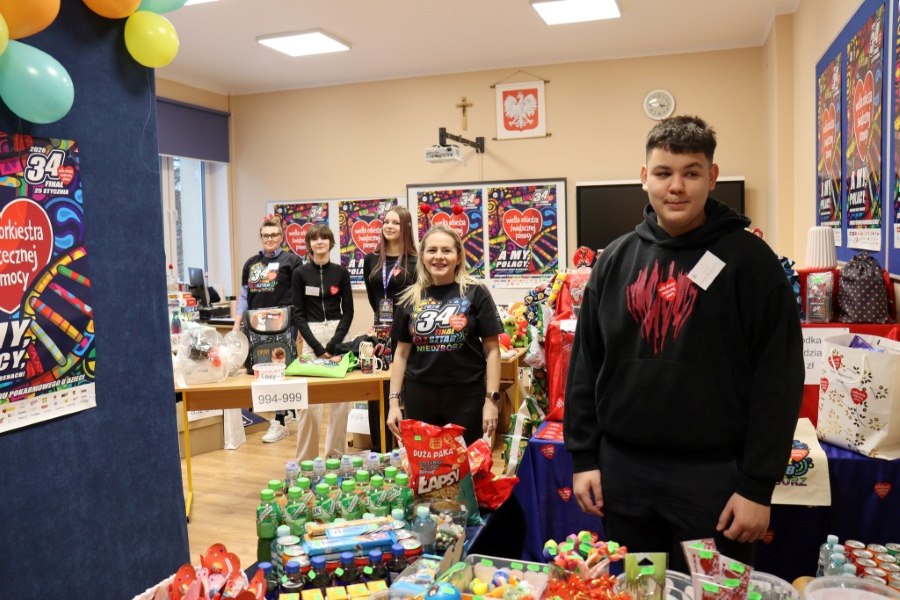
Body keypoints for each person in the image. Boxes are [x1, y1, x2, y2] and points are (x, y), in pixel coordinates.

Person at [563, 115, 803, 572]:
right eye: (663, 172)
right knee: (639, 590)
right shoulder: (614, 260)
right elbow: (586, 366)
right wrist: (584, 457)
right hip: (624, 478)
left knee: (713, 593)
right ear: (644, 177)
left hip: (716, 481)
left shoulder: (751, 263)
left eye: (691, 173)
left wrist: (757, 485)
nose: (676, 186)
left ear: (712, 177)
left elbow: (779, 379)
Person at [386, 225, 503, 447]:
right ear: (422, 256)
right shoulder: (409, 298)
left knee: (465, 464)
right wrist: (393, 404)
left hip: (467, 397)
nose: (439, 256)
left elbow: (492, 351)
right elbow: (400, 354)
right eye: (432, 250)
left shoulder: (476, 292)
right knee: (425, 464)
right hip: (419, 397)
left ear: (458, 257)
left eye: (446, 250)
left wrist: (491, 400)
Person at [234, 215, 302, 443]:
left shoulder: (292, 261)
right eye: (266, 235)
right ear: (260, 237)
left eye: (274, 235)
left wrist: (301, 326)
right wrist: (237, 323)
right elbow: (244, 296)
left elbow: (300, 297)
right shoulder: (251, 263)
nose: (270, 239)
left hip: (284, 324)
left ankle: (279, 421)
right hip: (256, 326)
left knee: (280, 370)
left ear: (281, 237)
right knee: (260, 370)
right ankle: (287, 411)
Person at [292, 224, 354, 460]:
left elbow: (348, 312)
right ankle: (306, 461)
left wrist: (333, 345)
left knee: (341, 403)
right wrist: (318, 348)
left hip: (338, 335)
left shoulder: (341, 272)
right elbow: (298, 313)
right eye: (315, 239)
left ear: (331, 242)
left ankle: (335, 457)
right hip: (311, 335)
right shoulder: (300, 274)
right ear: (309, 244)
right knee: (308, 405)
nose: (319, 242)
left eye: (324, 238)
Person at [362, 206, 418, 450]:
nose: (389, 226)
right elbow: (372, 296)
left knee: (407, 390)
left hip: (408, 334)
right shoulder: (371, 260)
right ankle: (381, 449)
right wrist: (382, 323)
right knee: (380, 389)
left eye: (396, 222)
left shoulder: (416, 262)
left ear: (405, 227)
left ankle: (411, 449)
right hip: (381, 334)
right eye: (386, 222)